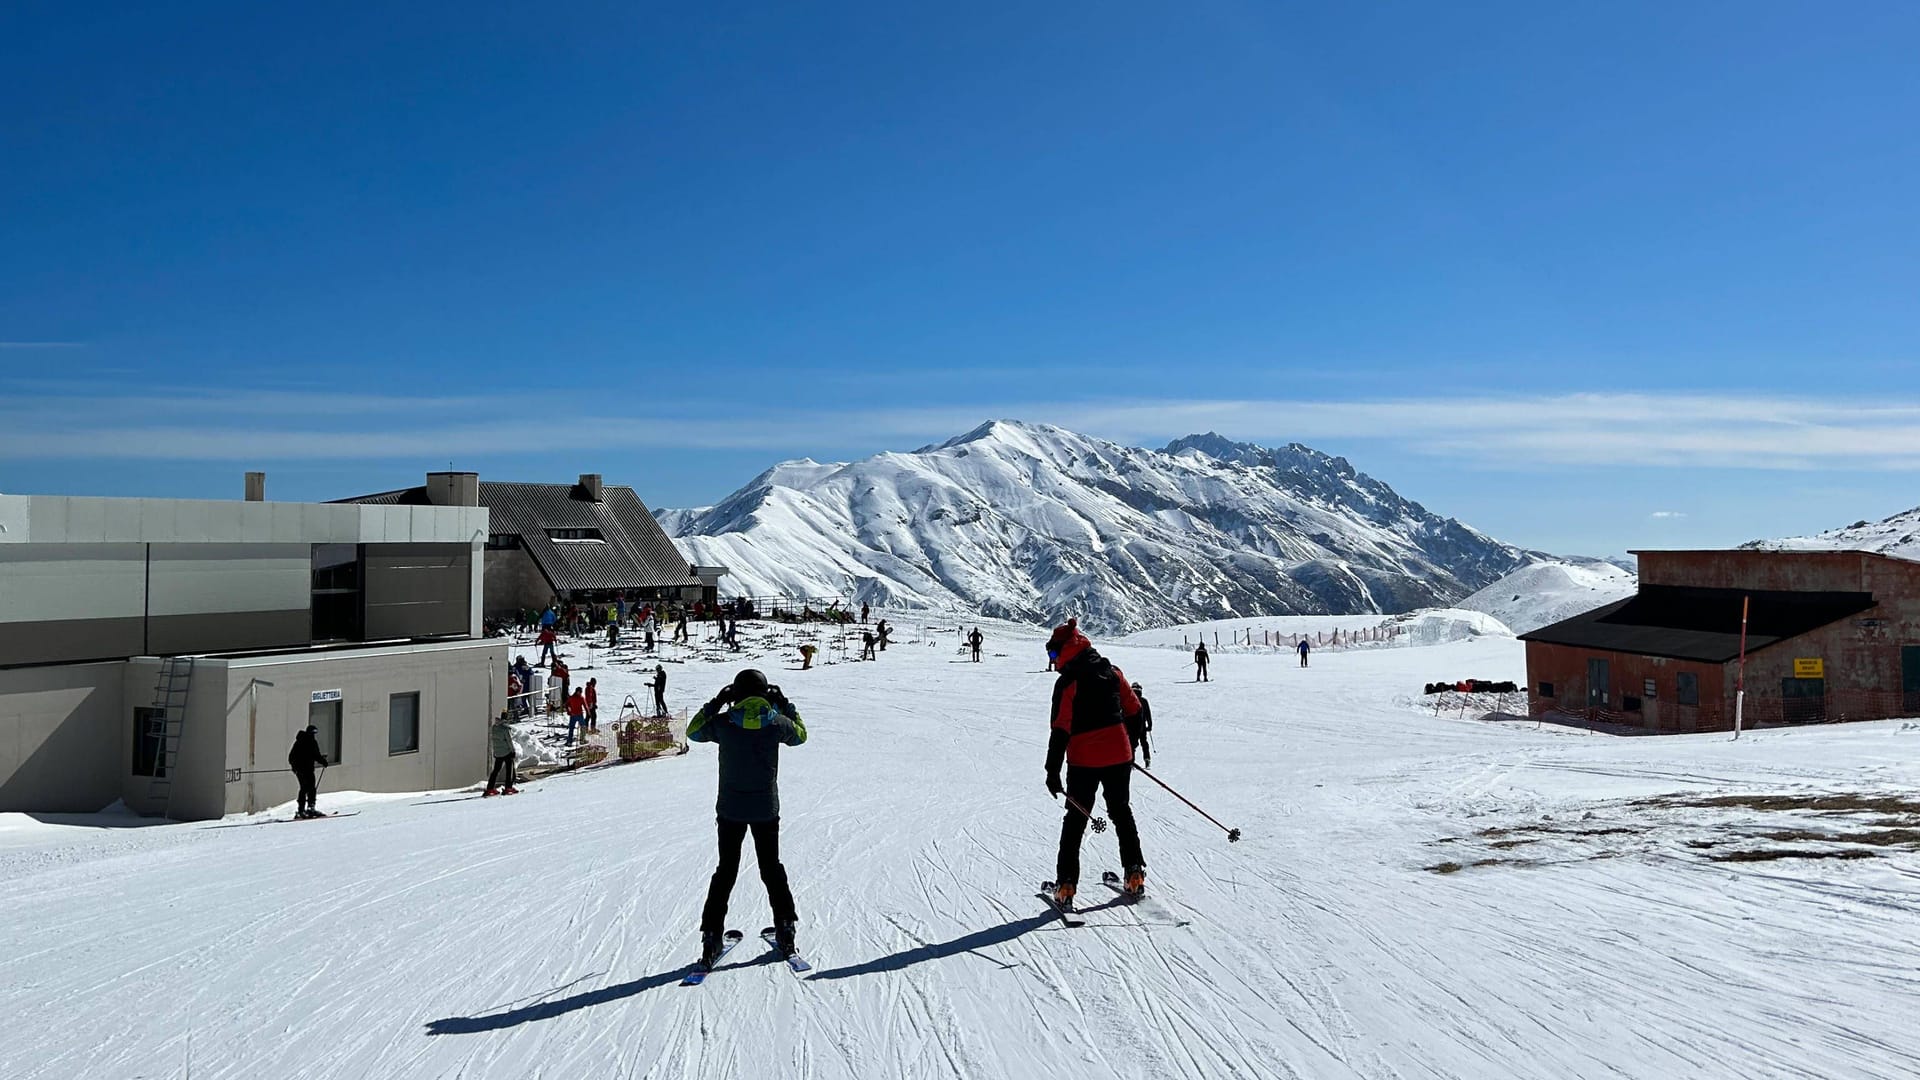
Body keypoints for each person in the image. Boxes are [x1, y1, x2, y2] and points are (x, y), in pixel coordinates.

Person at [688, 668, 808, 967]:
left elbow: (693, 732)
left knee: (725, 871)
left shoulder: (724, 724)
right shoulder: (777, 723)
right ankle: (786, 928)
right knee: (772, 868)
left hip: (730, 810)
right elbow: (801, 736)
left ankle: (711, 937)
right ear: (766, 693)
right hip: (766, 809)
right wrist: (784, 704)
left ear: (736, 694)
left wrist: (717, 701)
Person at [1043, 618, 1147, 904]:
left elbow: (1060, 729)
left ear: (1066, 650)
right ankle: (1135, 875)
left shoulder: (1068, 684)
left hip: (1084, 761)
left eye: (1053, 654)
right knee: (1121, 813)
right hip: (1119, 755)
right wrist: (1131, 746)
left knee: (1075, 820)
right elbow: (1135, 711)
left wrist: (1052, 770)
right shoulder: (1113, 672)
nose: (1052, 661)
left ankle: (1065, 887)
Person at [288, 725, 329, 819]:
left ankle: (306, 808)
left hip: (306, 770)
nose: (314, 735)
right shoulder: (306, 742)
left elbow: (315, 755)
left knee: (308, 788)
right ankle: (305, 809)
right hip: (304, 770)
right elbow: (315, 755)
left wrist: (323, 761)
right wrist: (323, 762)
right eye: (313, 733)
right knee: (307, 788)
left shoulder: (303, 742)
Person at [485, 711, 519, 795]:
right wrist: (513, 751)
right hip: (507, 752)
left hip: (497, 753)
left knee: (496, 770)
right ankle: (508, 787)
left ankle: (490, 788)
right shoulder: (505, 728)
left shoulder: (494, 728)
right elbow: (509, 741)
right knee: (509, 770)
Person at [1129, 681, 1154, 769]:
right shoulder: (1143, 701)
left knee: (1132, 744)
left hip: (1131, 727)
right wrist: (1150, 725)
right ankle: (1147, 759)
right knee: (1144, 743)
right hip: (1142, 727)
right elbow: (1148, 714)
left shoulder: (1129, 700)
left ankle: (1131, 762)